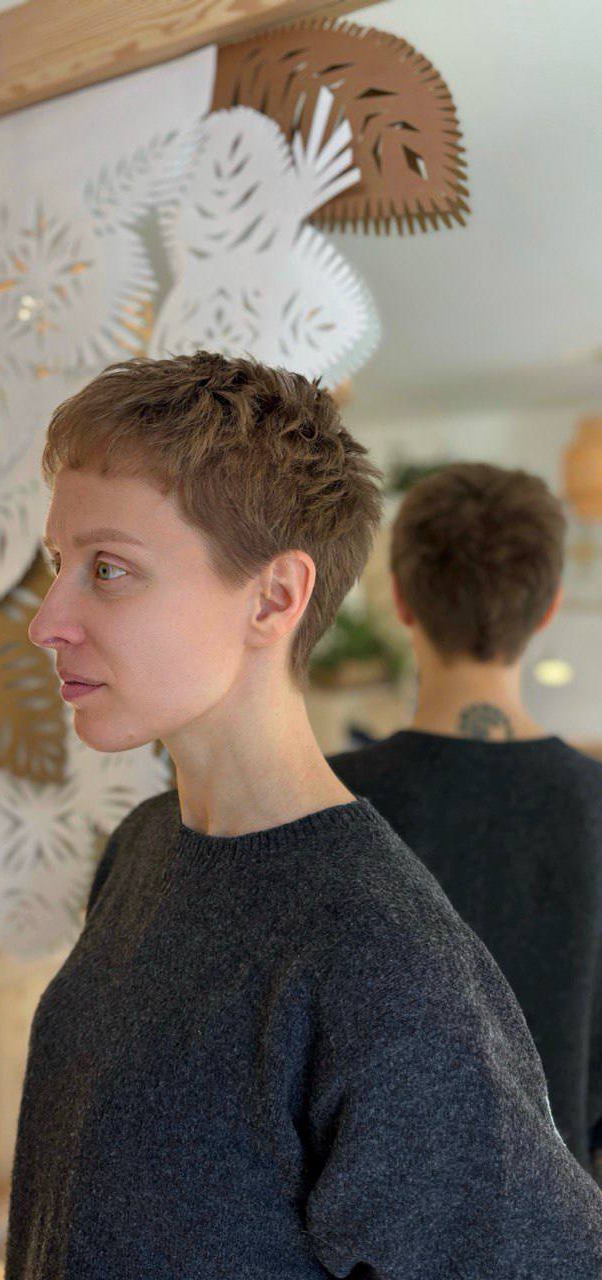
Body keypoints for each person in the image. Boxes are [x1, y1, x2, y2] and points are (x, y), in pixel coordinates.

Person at [7, 354, 602, 1280]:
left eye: (109, 569)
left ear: (275, 597)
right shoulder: (145, 846)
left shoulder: (382, 961)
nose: (48, 620)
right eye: (59, 564)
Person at [329, 461, 602, 1181]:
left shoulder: (324, 800)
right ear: (549, 607)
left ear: (401, 599)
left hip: (362, 1219)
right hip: (562, 1218)